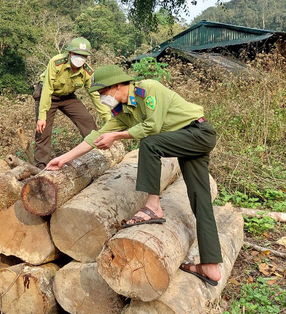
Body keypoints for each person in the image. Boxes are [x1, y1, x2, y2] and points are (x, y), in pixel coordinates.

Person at [45, 65, 223, 286]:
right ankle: (211, 266)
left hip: (198, 132)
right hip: (185, 140)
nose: (102, 98)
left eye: (103, 93)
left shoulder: (148, 89)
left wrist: (117, 136)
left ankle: (153, 206)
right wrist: (64, 158)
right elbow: (97, 136)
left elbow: (153, 127)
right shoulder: (122, 112)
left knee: (149, 143)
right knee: (200, 200)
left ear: (118, 85)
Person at [33, 37, 111, 169]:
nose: (80, 58)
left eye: (83, 56)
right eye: (77, 54)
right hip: (48, 95)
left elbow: (95, 95)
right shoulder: (57, 62)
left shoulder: (87, 72)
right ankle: (40, 168)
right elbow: (47, 88)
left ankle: (97, 154)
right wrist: (42, 116)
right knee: (43, 131)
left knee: (87, 120)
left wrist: (108, 119)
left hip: (68, 97)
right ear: (70, 54)